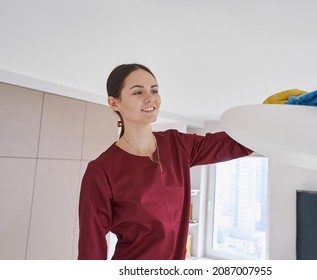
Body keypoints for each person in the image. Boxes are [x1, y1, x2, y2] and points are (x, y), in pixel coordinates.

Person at [78, 63, 253, 260]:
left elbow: (234, 144)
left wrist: (273, 117)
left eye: (154, 90)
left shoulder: (177, 145)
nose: (150, 97)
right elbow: (90, 245)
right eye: (137, 92)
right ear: (114, 103)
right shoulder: (101, 170)